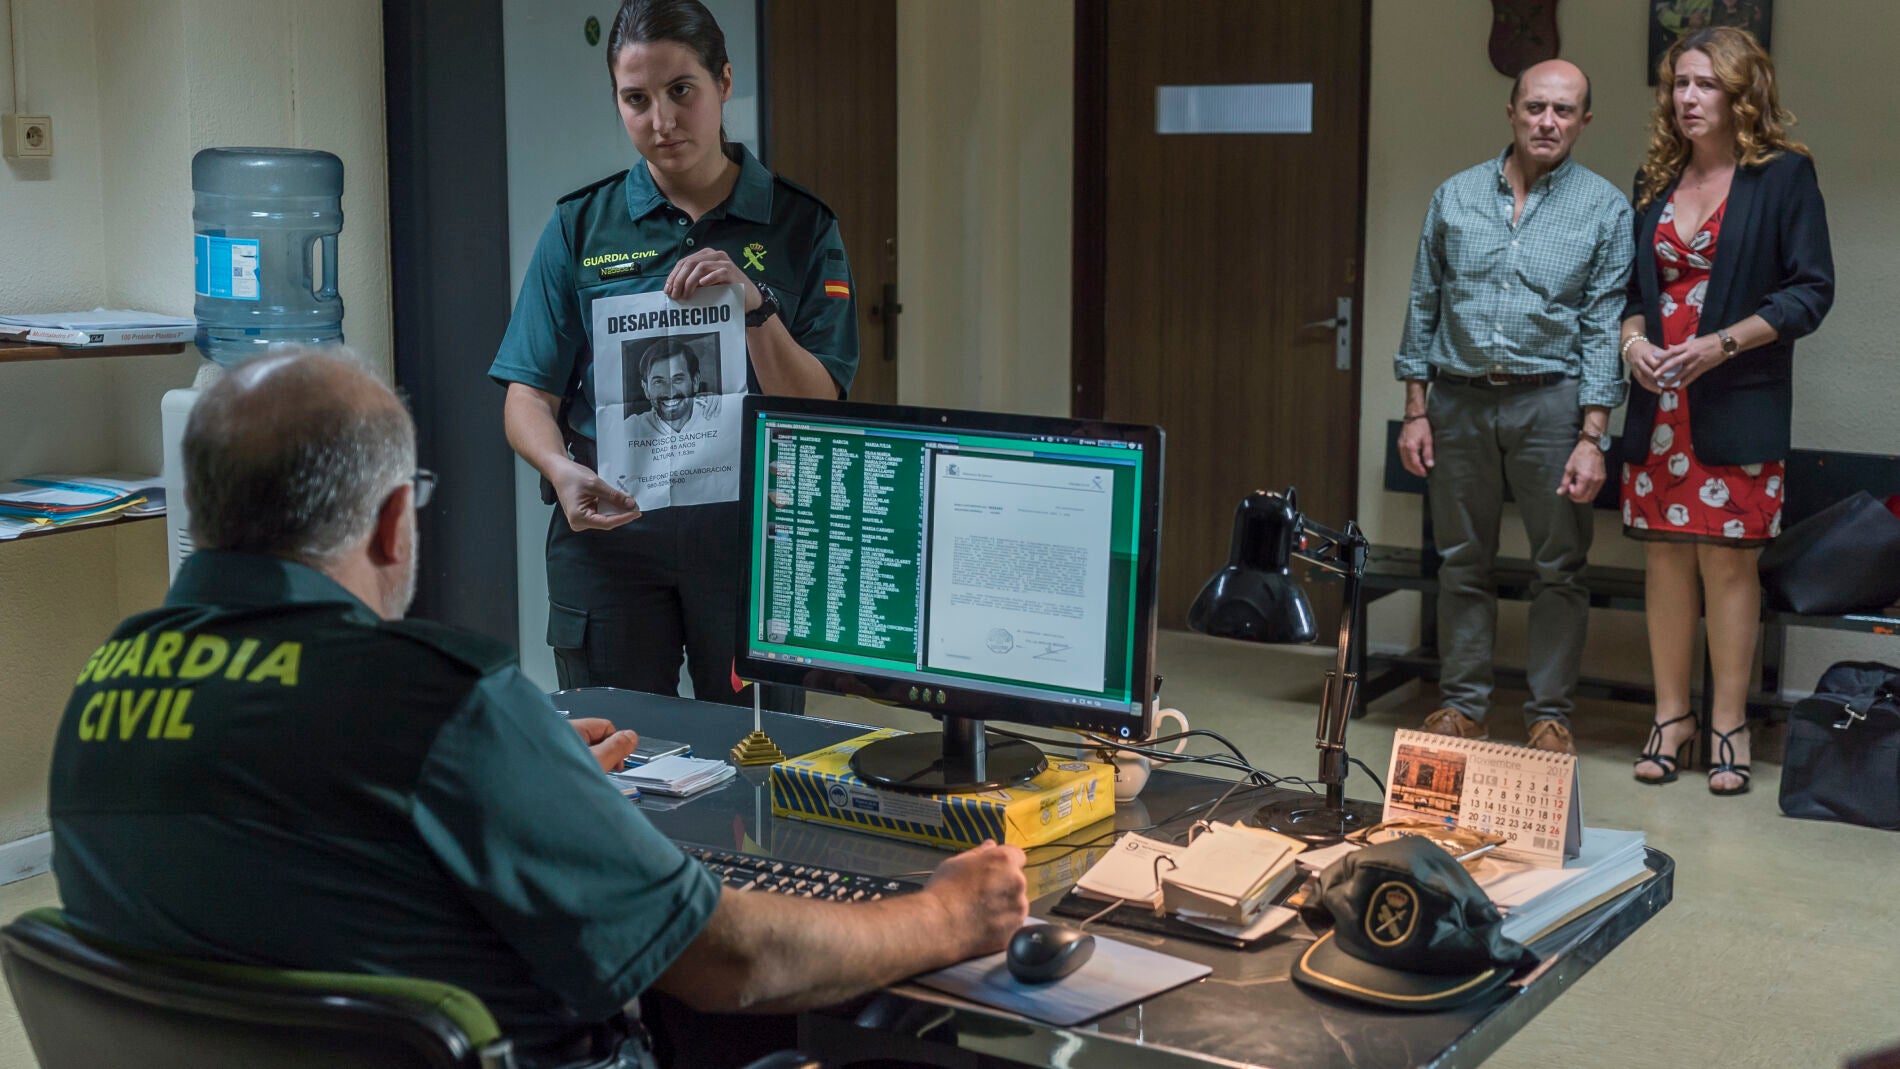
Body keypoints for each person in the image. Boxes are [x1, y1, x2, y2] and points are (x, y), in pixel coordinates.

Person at [45, 349, 1029, 1069]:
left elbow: (300, 863)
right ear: (393, 521)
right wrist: (946, 914)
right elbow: (734, 960)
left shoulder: (99, 694)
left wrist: (519, 781)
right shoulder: (440, 700)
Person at [490, 0, 856, 708]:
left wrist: (757, 309)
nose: (660, 120)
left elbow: (821, 406)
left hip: (751, 541)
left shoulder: (801, 226)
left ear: (723, 81)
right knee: (619, 762)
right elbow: (526, 393)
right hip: (611, 541)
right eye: (636, 100)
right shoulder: (580, 227)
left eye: (680, 91)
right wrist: (560, 469)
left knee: (760, 764)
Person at [1395, 60, 1634, 756]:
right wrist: (1416, 408)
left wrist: (1595, 434)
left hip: (1552, 406)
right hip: (1458, 403)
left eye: (1563, 111)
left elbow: (1601, 325)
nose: (1547, 122)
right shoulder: (1455, 196)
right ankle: (1464, 706)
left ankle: (1548, 715)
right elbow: (1423, 303)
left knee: (1559, 566)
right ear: (1511, 111)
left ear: (1584, 121)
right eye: (1535, 107)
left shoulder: (1605, 208)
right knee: (1462, 560)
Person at [1622, 27, 1832, 795]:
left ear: (1742, 92)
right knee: (1665, 560)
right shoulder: (1653, 178)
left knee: (1727, 565)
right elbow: (1629, 295)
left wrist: (1721, 344)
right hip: (1659, 407)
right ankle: (1671, 718)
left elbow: (1811, 291)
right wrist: (1633, 343)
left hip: (1736, 397)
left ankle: (1729, 724)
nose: (1686, 98)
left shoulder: (1782, 177)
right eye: (1678, 84)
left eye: (1705, 84)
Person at [627, 338, 720, 438]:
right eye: (658, 381)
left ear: (695, 381)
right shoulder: (630, 428)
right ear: (646, 388)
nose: (670, 393)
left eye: (678, 379)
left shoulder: (718, 412)